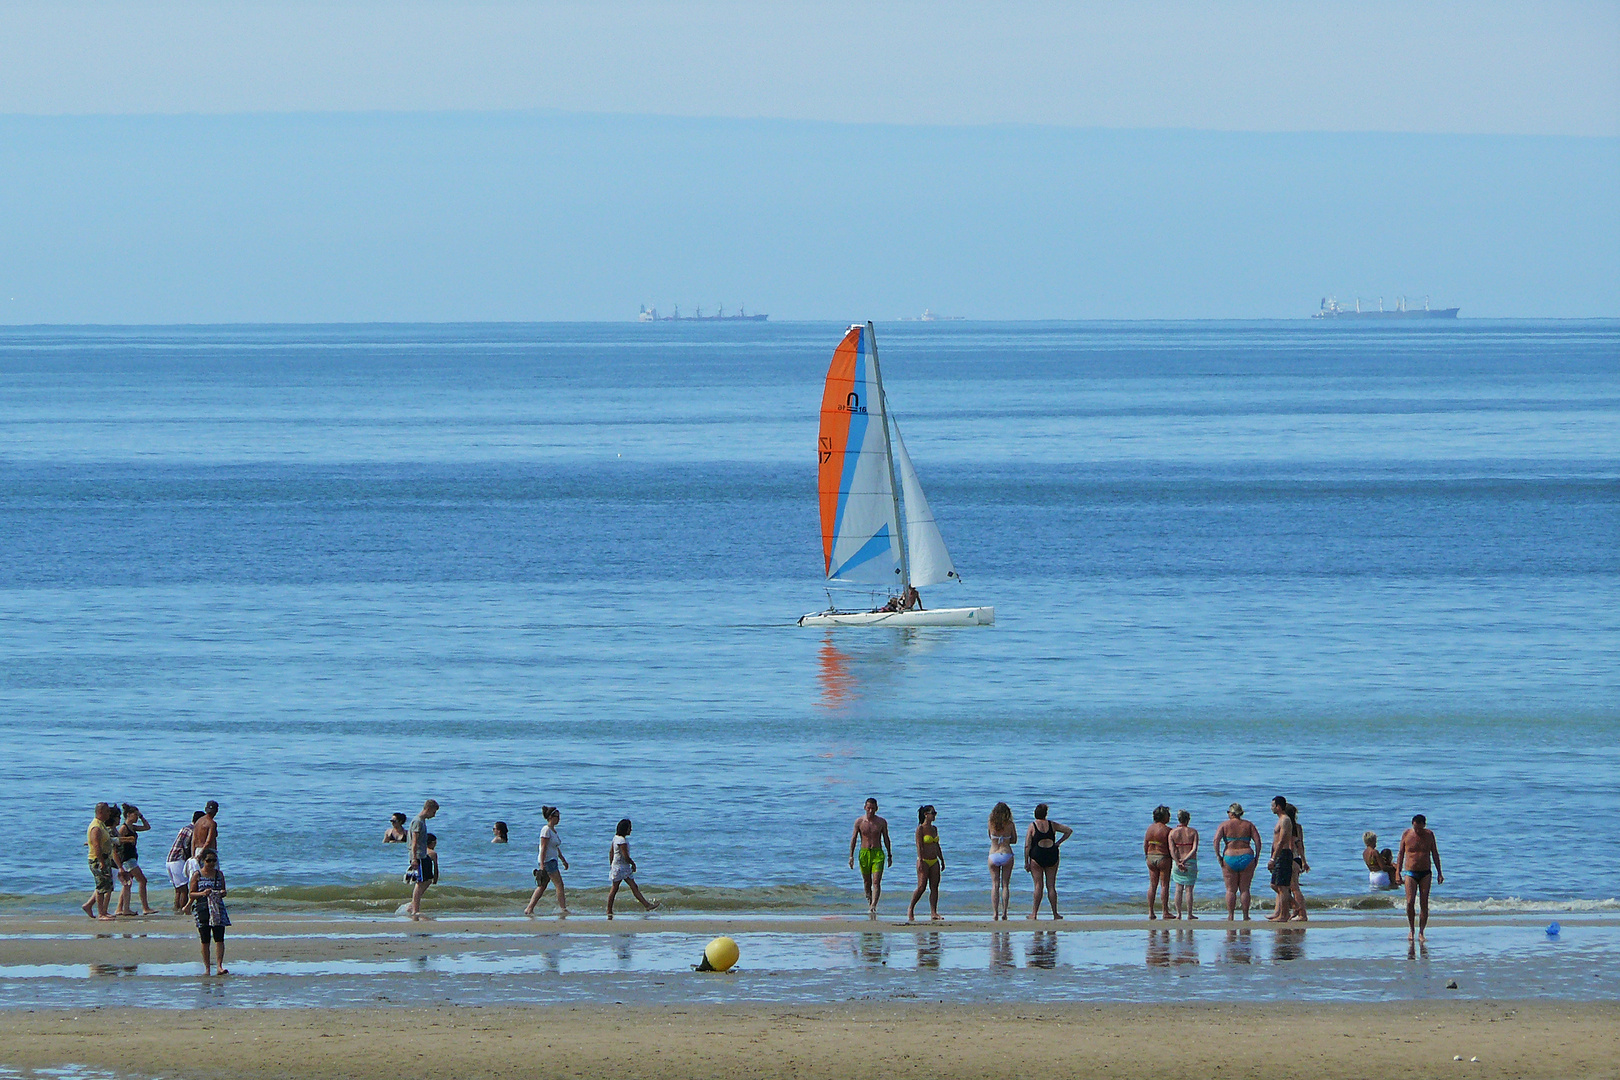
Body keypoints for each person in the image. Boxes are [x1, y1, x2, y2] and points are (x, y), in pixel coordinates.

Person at [1396, 814, 1444, 941]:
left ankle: (1421, 932)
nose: (1417, 831)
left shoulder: (1429, 835)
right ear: (1413, 824)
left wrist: (1440, 872)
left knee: (1424, 902)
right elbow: (1401, 854)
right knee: (1410, 901)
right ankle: (1411, 929)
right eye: (1415, 828)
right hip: (1410, 872)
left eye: (1420, 828)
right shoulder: (1406, 834)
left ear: (1424, 825)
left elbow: (1435, 853)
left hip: (1425, 872)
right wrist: (1397, 872)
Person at [1212, 803, 1262, 920]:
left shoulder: (1224, 825)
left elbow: (1216, 841)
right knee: (1245, 889)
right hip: (1246, 856)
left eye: (1228, 812)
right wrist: (1257, 857)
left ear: (1232, 813)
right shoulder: (1248, 825)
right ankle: (1245, 915)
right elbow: (1258, 841)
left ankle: (1231, 915)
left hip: (1230, 856)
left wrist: (1218, 856)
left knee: (1230, 890)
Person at [1025, 803, 1072, 920]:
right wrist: (1058, 843)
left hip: (1037, 855)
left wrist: (1026, 861)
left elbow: (1027, 845)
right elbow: (1068, 831)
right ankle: (1055, 913)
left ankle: (1034, 913)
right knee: (1051, 886)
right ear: (1045, 814)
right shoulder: (1052, 824)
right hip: (1052, 854)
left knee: (1038, 885)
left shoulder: (1032, 826)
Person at [605, 819, 660, 917]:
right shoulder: (622, 841)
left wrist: (611, 864)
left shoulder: (615, 838)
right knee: (615, 889)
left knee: (633, 887)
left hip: (619, 867)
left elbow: (611, 852)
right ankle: (608, 910)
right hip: (622, 868)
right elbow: (625, 856)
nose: (631, 830)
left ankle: (647, 905)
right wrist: (633, 864)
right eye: (629, 828)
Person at [848, 798, 892, 917]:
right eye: (869, 808)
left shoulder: (881, 822)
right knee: (867, 882)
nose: (871, 811)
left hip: (878, 854)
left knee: (876, 881)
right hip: (864, 853)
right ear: (865, 808)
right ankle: (869, 902)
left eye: (873, 808)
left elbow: (886, 838)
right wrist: (851, 856)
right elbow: (854, 839)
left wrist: (889, 854)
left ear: (877, 808)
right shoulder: (859, 822)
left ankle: (873, 905)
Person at [189, 850, 230, 975]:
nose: (211, 863)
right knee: (205, 939)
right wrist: (202, 893)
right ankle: (207, 968)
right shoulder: (197, 875)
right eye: (208, 860)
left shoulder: (219, 875)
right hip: (202, 908)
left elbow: (224, 890)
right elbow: (191, 893)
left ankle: (219, 966)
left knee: (219, 938)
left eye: (214, 860)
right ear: (203, 861)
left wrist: (222, 893)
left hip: (217, 909)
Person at [524, 805, 570, 916]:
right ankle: (563, 908)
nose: (558, 819)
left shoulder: (553, 831)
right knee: (559, 884)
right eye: (556, 816)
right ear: (550, 817)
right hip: (548, 861)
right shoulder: (546, 830)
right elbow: (543, 848)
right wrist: (542, 865)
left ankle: (529, 908)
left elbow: (555, 847)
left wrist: (563, 860)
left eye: (559, 816)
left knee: (542, 886)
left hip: (552, 860)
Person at [114, 804, 156, 916]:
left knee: (127, 883)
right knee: (142, 880)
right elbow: (116, 844)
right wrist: (119, 865)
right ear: (128, 815)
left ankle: (119, 908)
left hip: (132, 857)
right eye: (135, 815)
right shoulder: (124, 828)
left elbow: (147, 827)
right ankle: (145, 907)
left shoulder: (133, 827)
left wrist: (142, 816)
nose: (137, 817)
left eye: (138, 815)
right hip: (127, 859)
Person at [82, 803, 121, 921]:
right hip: (97, 860)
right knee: (101, 887)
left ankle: (103, 911)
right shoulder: (96, 827)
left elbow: (107, 840)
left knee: (107, 885)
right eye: (107, 812)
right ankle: (101, 913)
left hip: (105, 858)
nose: (109, 814)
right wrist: (101, 862)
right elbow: (96, 845)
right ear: (100, 812)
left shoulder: (102, 825)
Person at [907, 805, 945, 923]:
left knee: (934, 887)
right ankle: (911, 908)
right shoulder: (920, 829)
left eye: (935, 813)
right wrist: (920, 859)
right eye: (933, 813)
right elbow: (919, 845)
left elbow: (937, 845)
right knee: (921, 886)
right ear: (926, 815)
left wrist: (942, 859)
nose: (934, 815)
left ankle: (934, 912)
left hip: (934, 860)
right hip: (924, 860)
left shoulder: (934, 829)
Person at [1266, 796, 1297, 923]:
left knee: (1282, 886)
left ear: (1278, 807)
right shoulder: (1280, 820)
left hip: (1283, 854)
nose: (1271, 808)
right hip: (1278, 854)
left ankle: (1284, 915)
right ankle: (1294, 905)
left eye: (1273, 805)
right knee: (1274, 885)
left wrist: (1274, 858)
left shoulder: (1285, 820)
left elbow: (1282, 839)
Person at [166, 811, 204, 914]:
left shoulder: (185, 828)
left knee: (178, 889)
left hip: (170, 859)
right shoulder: (193, 830)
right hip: (178, 860)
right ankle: (183, 910)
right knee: (184, 889)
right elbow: (187, 847)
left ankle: (176, 908)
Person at [406, 799, 438, 916]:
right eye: (433, 812)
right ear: (428, 809)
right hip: (418, 855)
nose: (434, 816)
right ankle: (414, 909)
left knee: (428, 879)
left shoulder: (422, 821)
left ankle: (413, 904)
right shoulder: (418, 822)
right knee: (420, 882)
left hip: (423, 854)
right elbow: (414, 841)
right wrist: (414, 858)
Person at [987, 802, 1017, 921]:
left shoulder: (991, 823)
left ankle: (995, 913)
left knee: (995, 885)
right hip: (1006, 854)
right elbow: (1014, 840)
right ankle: (1004, 913)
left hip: (993, 854)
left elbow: (990, 837)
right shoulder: (1010, 824)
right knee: (1005, 885)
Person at [1144, 805, 1174, 920]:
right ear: (1163, 816)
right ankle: (1165, 911)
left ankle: (1151, 911)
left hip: (1151, 857)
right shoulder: (1168, 830)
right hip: (1163, 857)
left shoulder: (1149, 829)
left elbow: (1145, 844)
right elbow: (1171, 847)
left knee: (1152, 885)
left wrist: (1146, 856)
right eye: (1168, 815)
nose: (1169, 817)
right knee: (1164, 885)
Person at [1169, 809, 1199, 920]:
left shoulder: (1172, 832)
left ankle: (1178, 914)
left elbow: (1172, 850)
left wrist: (1178, 862)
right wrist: (1185, 860)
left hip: (1177, 862)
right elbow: (1194, 849)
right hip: (1190, 862)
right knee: (1189, 889)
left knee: (1178, 888)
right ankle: (1190, 913)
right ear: (1188, 819)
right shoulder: (1193, 832)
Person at [1285, 803, 1309, 921]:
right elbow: (1301, 846)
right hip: (1297, 858)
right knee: (1292, 887)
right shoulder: (1298, 827)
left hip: (1290, 858)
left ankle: (1301, 912)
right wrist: (1304, 861)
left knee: (1292, 887)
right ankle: (1295, 910)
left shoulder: (1287, 826)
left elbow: (1293, 845)